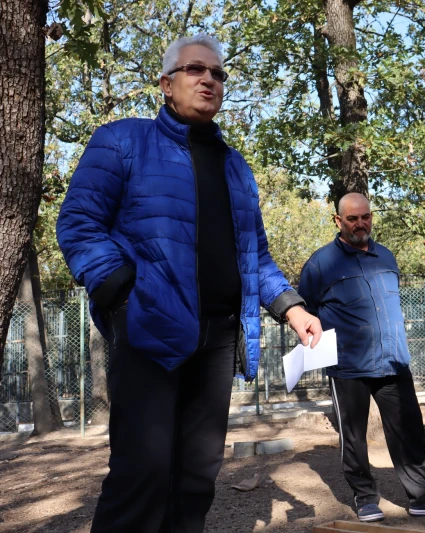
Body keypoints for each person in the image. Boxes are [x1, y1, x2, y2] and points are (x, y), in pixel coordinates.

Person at [56, 34, 321, 532]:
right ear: (166, 83)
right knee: (143, 473)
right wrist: (123, 294)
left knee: (198, 478)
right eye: (196, 70)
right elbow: (78, 224)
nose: (209, 80)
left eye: (218, 74)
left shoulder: (235, 167)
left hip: (219, 339)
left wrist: (292, 307)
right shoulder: (121, 140)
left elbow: (256, 257)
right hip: (150, 329)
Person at [298, 192, 425, 522]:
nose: (360, 224)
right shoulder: (320, 264)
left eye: (365, 217)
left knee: (409, 430)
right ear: (338, 221)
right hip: (348, 366)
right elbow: (304, 310)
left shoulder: (387, 257)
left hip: (393, 360)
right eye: (352, 219)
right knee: (354, 436)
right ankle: (365, 499)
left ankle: (423, 497)